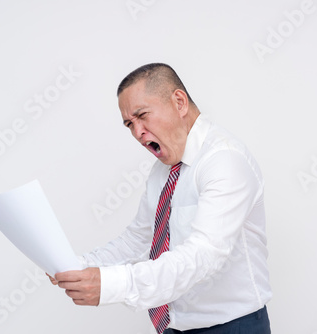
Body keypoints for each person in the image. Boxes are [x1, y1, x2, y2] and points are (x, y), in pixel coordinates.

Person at [48, 63, 272, 333]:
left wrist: (110, 285)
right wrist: (76, 266)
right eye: (129, 124)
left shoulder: (224, 161)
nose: (138, 133)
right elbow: (138, 239)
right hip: (174, 328)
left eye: (142, 116)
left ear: (179, 102)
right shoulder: (162, 171)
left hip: (233, 327)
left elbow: (202, 256)